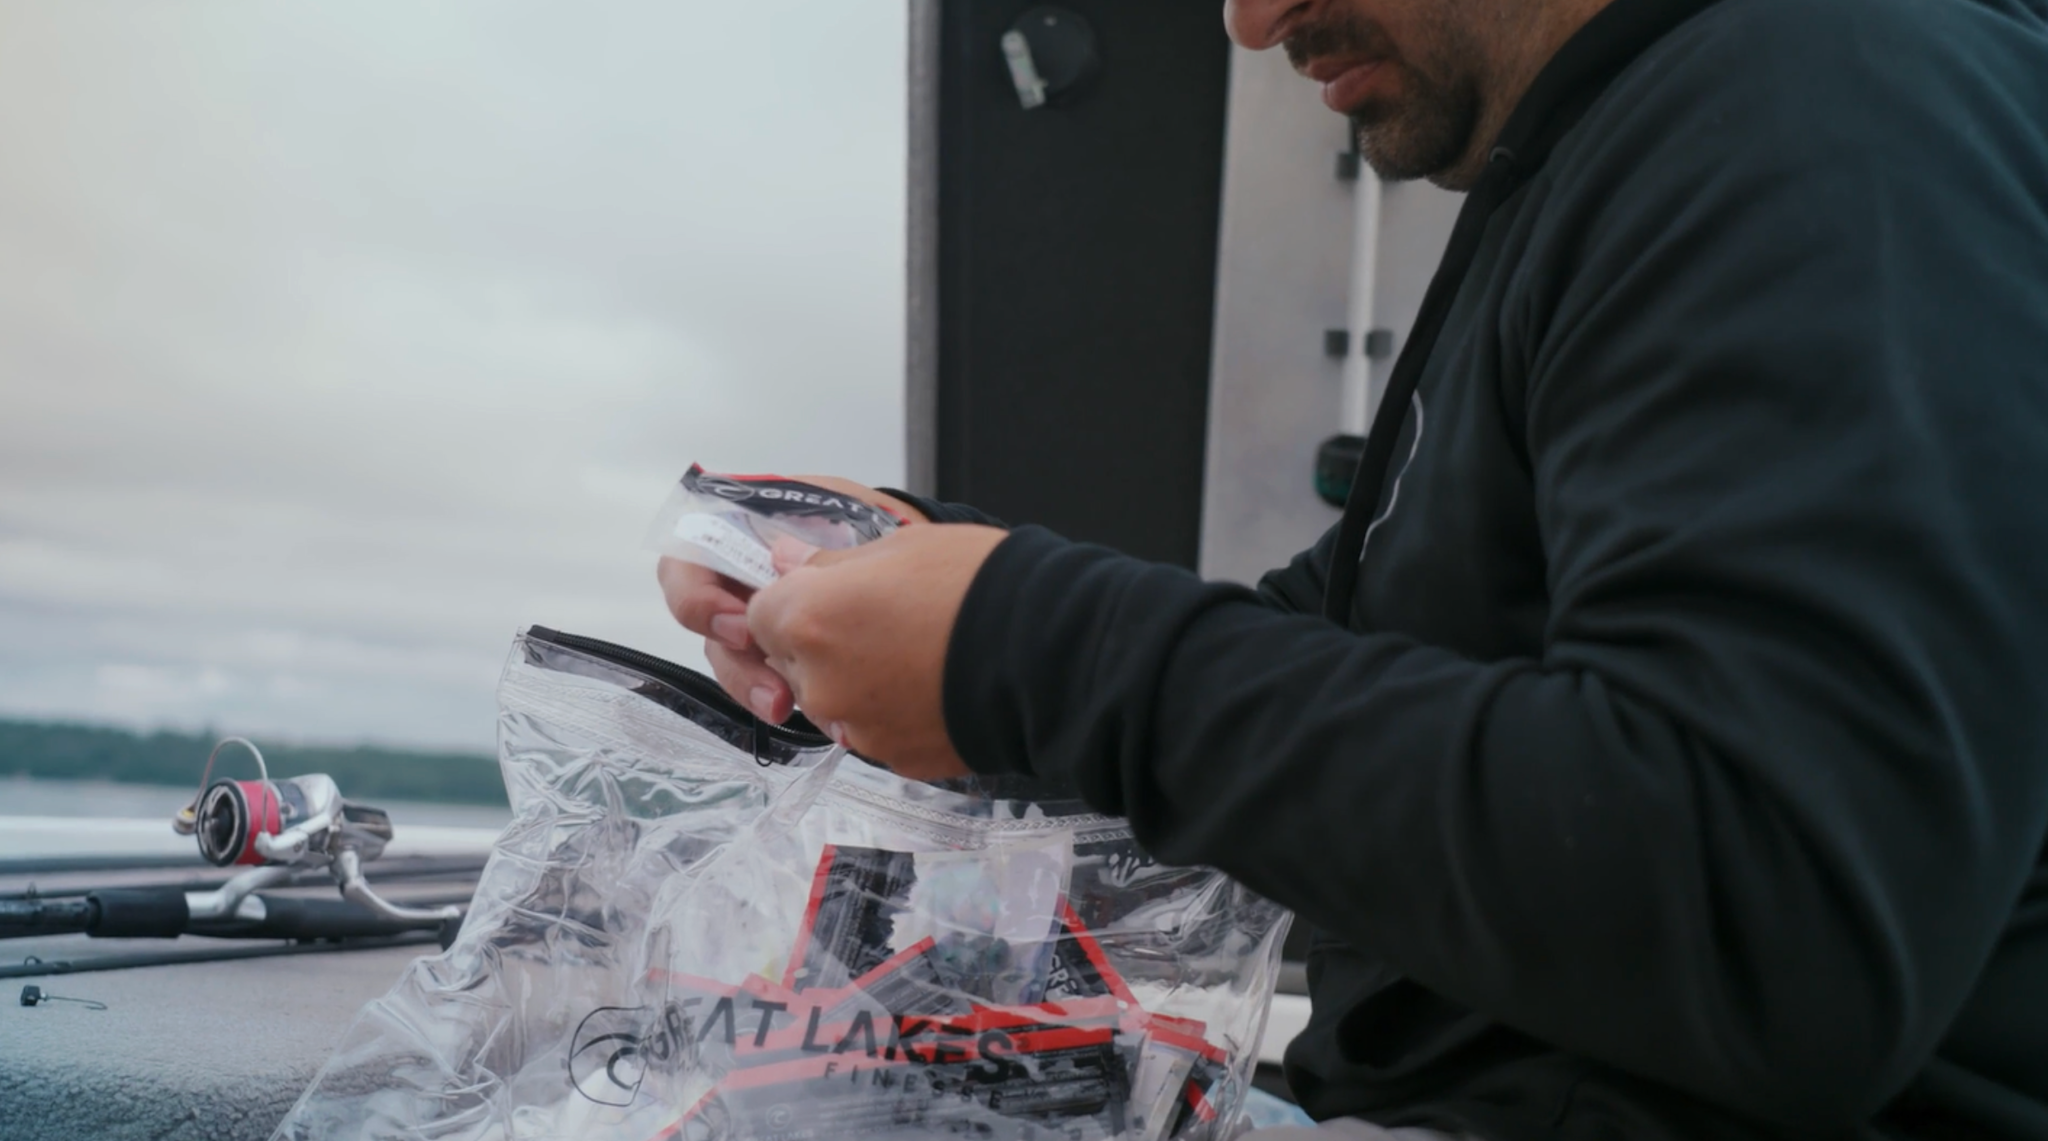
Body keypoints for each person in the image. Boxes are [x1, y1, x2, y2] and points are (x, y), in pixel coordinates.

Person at [660, 0, 2048, 1135]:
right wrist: (909, 578)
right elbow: (1343, 653)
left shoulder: (1829, 98)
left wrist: (1031, 641)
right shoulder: (1602, 157)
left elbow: (1776, 912)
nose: (1252, 21)